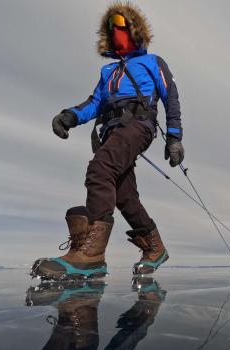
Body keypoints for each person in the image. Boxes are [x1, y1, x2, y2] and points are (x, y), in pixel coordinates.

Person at [30, 2, 184, 280]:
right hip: (112, 131)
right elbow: (95, 103)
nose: (116, 33)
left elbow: (170, 96)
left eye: (121, 27)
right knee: (124, 196)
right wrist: (69, 117)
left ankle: (91, 255)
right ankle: (155, 249)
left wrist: (174, 137)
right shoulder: (108, 72)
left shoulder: (152, 62)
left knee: (100, 170)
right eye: (111, 30)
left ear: (135, 31)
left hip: (138, 125)